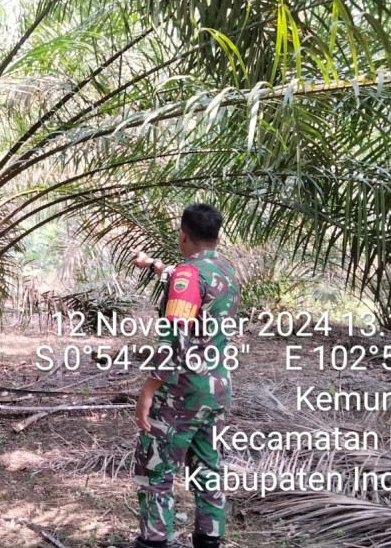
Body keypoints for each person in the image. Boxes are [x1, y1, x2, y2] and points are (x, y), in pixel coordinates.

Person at [128, 204, 239, 548]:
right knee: (208, 467)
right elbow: (189, 281)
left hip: (182, 392)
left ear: (182, 235)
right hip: (216, 389)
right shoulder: (225, 271)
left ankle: (154, 542)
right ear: (217, 238)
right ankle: (209, 541)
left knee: (157, 470)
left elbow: (174, 338)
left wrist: (148, 389)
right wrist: (155, 267)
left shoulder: (187, 276)